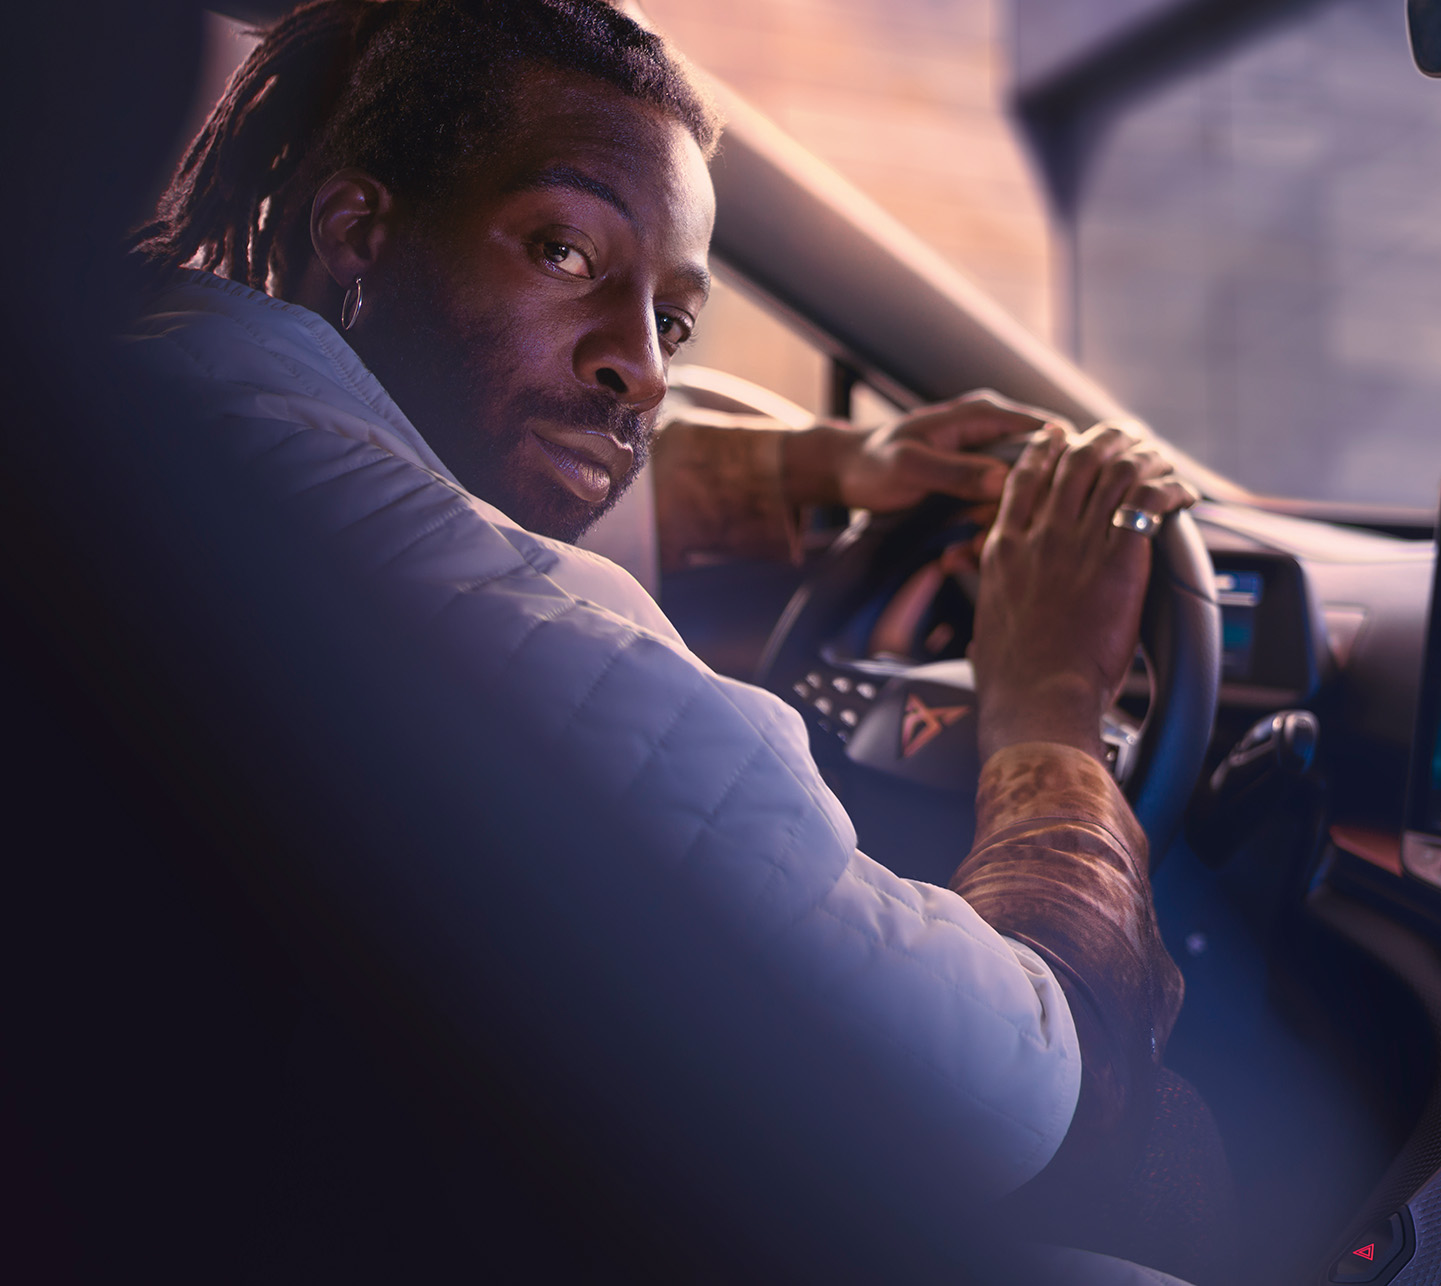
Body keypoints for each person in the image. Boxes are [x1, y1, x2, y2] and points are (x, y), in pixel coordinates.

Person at [125, 0, 1224, 1279]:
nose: (643, 370)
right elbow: (1040, 1094)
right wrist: (1046, 701)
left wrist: (831, 464)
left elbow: (447, 452)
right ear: (359, 229)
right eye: (565, 252)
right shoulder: (576, 682)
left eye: (676, 319)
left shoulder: (154, 390)